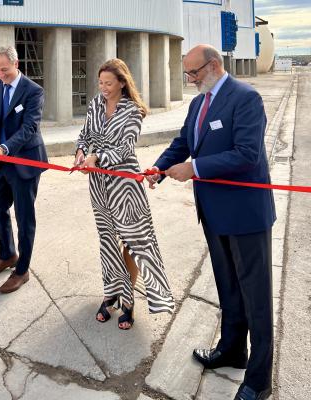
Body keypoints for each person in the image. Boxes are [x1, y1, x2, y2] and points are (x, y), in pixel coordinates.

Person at [146, 45, 275, 400]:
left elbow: (247, 154)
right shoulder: (198, 103)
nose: (189, 80)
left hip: (246, 215)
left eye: (194, 73)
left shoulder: (245, 98)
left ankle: (259, 380)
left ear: (214, 65)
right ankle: (233, 350)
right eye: (186, 74)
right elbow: (184, 141)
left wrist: (195, 168)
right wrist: (160, 166)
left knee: (257, 298)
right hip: (214, 213)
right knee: (229, 289)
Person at [74, 58, 174, 330]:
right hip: (99, 184)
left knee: (132, 241)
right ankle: (111, 293)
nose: (103, 88)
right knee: (107, 239)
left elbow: (126, 148)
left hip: (125, 185)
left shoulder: (133, 111)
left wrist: (97, 158)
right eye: (100, 83)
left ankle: (128, 300)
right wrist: (82, 152)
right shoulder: (95, 104)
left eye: (108, 83)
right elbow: (84, 135)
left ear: (122, 82)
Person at [0, 46, 47, 294]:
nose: (0, 75)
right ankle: (8, 255)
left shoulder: (33, 91)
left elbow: (29, 128)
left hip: (25, 162)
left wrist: (4, 149)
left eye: (4, 69)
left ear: (16, 64)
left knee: (25, 217)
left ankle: (22, 270)